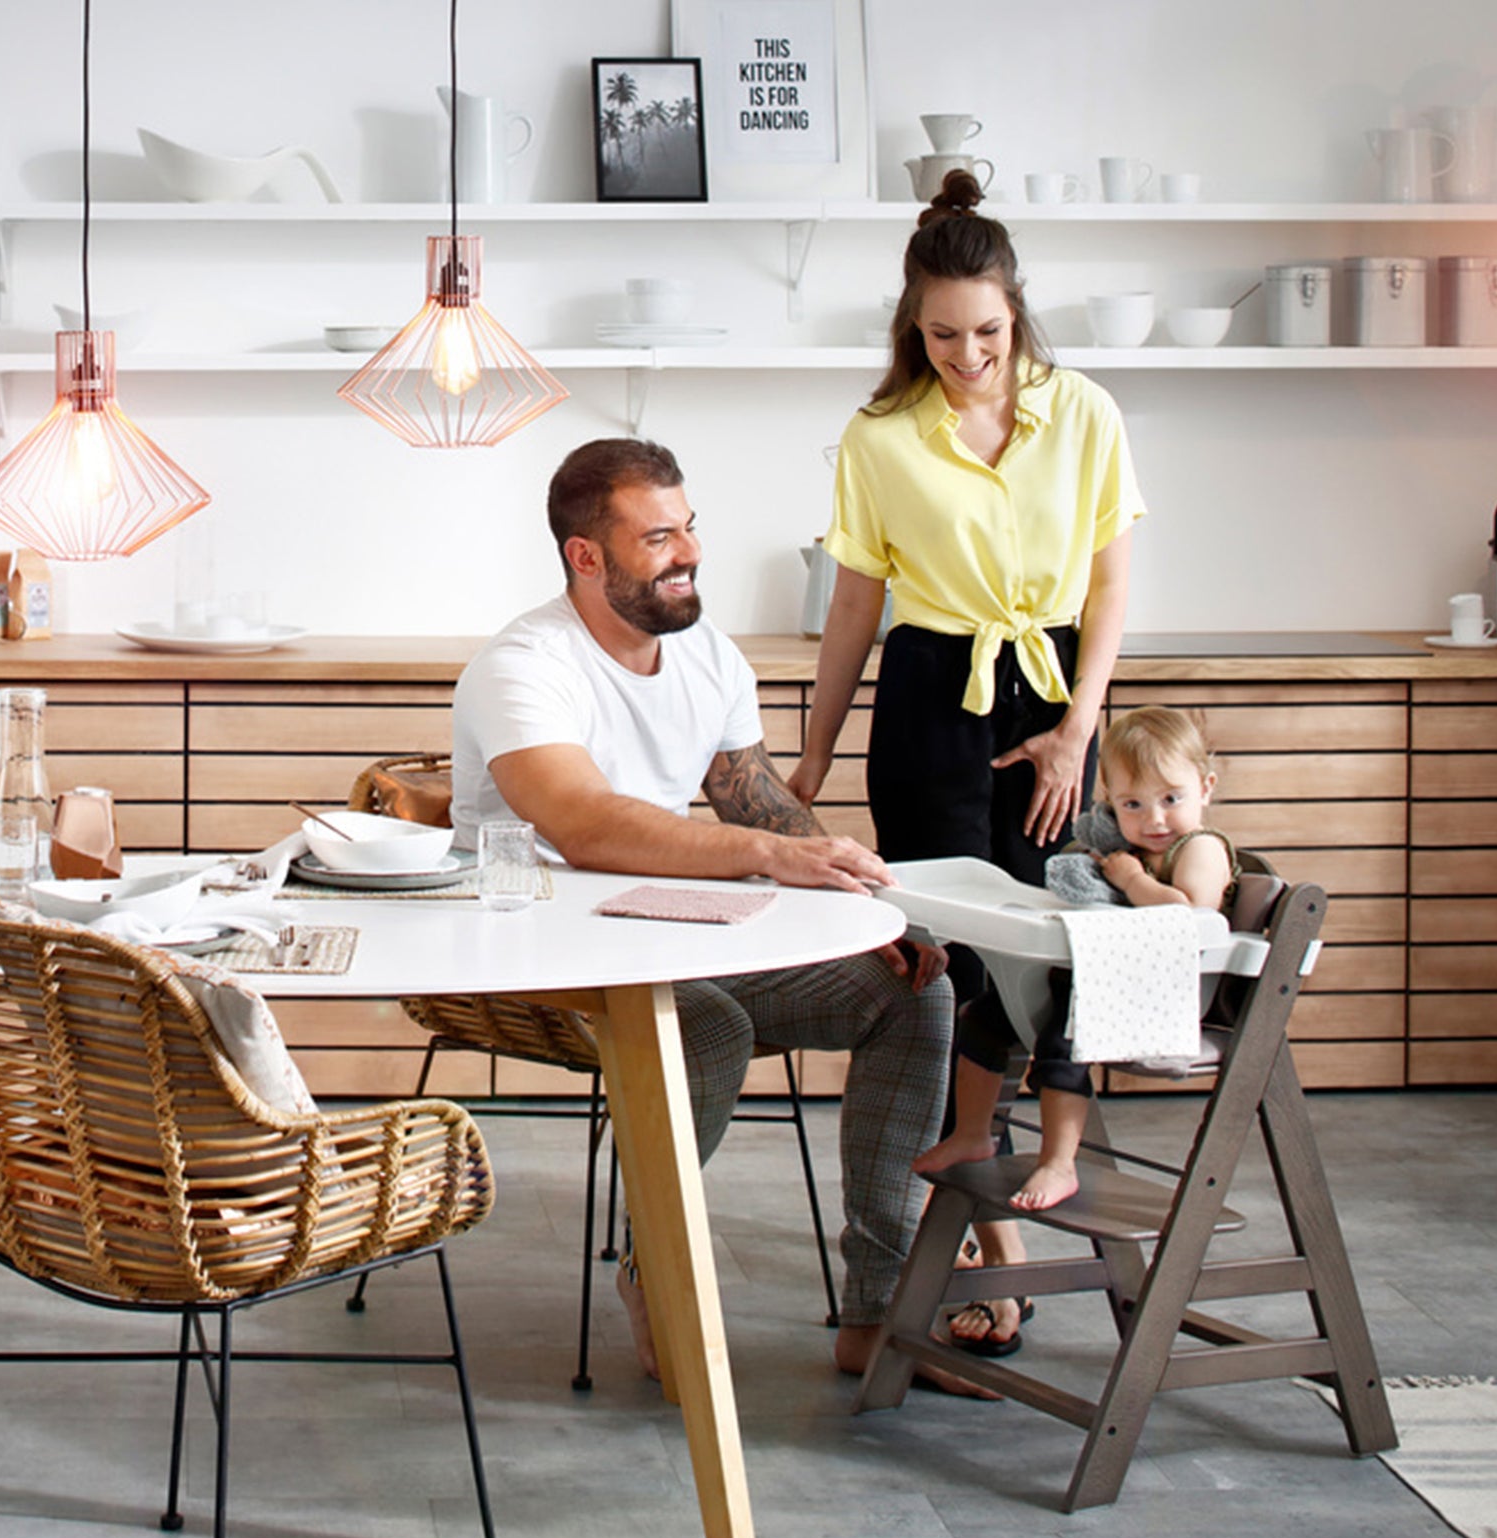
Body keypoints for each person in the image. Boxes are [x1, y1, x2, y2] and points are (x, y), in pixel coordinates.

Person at [450, 437, 963, 1386]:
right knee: (709, 1026)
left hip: (673, 932)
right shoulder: (521, 666)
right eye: (658, 538)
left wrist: (868, 913)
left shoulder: (709, 655)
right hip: (534, 953)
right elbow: (585, 824)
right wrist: (771, 856)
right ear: (586, 556)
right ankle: (655, 1268)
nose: (688, 553)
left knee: (912, 991)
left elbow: (754, 801)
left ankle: (882, 1312)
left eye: (689, 528)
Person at [787, 167, 1146, 1354]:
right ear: (913, 324)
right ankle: (993, 1246)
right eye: (943, 336)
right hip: (932, 699)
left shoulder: (1083, 412)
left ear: (1016, 310)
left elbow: (1110, 583)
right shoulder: (880, 435)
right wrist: (814, 754)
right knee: (949, 960)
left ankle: (1035, 1169)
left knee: (1047, 946)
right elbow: (855, 605)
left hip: (1052, 692)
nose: (968, 356)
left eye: (986, 331)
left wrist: (1081, 726)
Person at [914, 707, 1241, 1351]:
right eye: (1132, 805)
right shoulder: (1126, 847)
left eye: (1171, 799)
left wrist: (1132, 879)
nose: (1154, 819)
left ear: (1206, 788)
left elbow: (1190, 917)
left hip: (1162, 995)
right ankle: (974, 1135)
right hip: (1103, 974)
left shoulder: (1198, 849)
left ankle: (1059, 1161)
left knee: (1061, 1043)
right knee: (985, 1019)